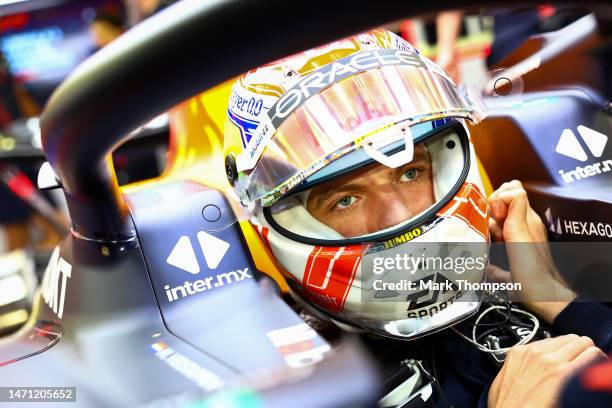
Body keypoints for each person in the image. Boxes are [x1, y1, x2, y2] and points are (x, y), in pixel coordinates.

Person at [222, 29, 610, 407]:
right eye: (345, 199)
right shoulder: (280, 383)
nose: (399, 216)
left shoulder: (515, 275)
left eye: (410, 173)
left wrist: (555, 298)